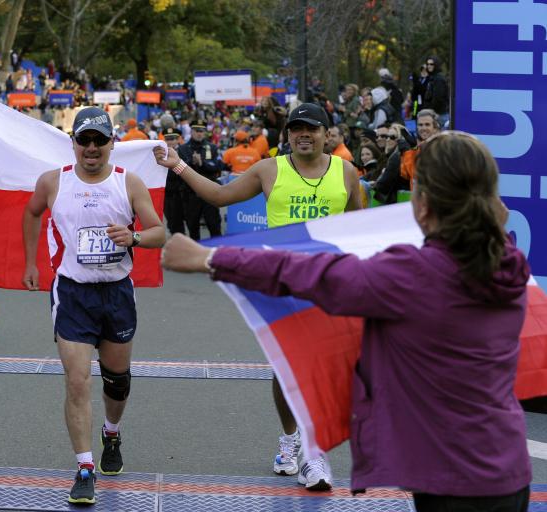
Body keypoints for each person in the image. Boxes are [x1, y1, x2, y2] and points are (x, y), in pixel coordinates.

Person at [161, 131, 530, 512]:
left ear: (422, 203)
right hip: (508, 465)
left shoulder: (414, 274)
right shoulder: (507, 262)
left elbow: (314, 273)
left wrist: (211, 258)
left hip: (453, 482)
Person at [154, 102, 362, 491]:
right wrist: (177, 166)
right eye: (296, 129)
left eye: (312, 129)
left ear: (327, 135)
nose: (303, 135)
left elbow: (358, 229)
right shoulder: (270, 168)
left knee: (318, 369)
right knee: (287, 369)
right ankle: (293, 443)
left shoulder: (346, 172)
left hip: (328, 285)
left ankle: (312, 453)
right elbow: (218, 196)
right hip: (280, 284)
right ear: (286, 135)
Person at [22, 107, 165, 505]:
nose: (91, 148)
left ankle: (112, 433)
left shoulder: (128, 183)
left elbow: (159, 232)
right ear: (73, 144)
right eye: (84, 140)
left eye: (99, 140)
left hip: (116, 293)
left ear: (110, 144)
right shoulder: (53, 182)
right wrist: (31, 262)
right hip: (73, 293)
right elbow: (32, 213)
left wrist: (134, 237)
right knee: (77, 380)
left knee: (116, 381)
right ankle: (84, 467)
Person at [177, 119, 222, 240]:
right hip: (190, 195)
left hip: (209, 194)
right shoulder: (183, 149)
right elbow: (179, 169)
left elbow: (217, 166)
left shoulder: (212, 147)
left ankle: (217, 255)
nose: (199, 133)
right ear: (191, 131)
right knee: (193, 228)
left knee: (214, 226)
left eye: (202, 131)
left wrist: (203, 163)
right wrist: (191, 162)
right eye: (197, 131)